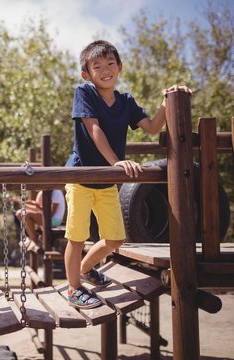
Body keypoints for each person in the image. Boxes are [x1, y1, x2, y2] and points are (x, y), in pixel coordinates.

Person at [63, 40, 191, 309]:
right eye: (97, 66)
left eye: (110, 63)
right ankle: (73, 289)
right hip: (81, 178)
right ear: (87, 74)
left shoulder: (126, 101)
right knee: (77, 237)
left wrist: (168, 100)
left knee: (115, 239)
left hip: (106, 182)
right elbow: (93, 129)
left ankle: (86, 269)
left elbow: (153, 127)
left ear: (119, 67)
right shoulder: (84, 92)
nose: (105, 69)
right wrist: (117, 162)